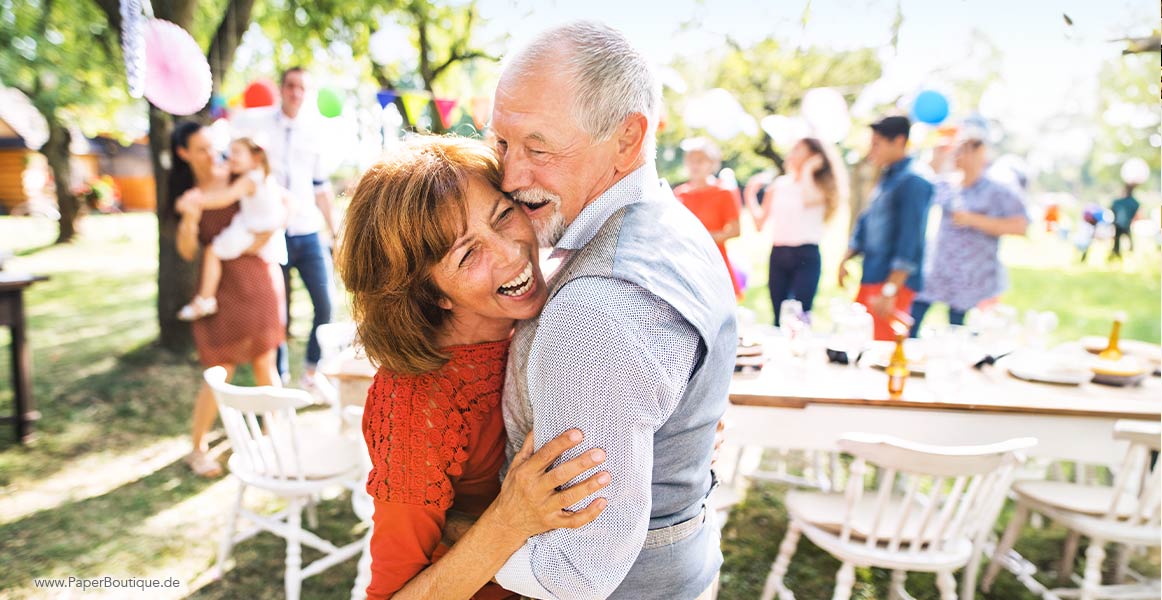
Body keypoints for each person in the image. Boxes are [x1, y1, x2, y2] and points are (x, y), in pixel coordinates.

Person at [489, 21, 737, 599]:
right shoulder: (673, 219)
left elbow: (575, 572)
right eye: (501, 143)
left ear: (627, 138)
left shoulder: (596, 313)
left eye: (538, 147)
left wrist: (462, 534)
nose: (508, 176)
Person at [337, 135, 612, 599]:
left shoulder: (539, 318)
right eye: (468, 254)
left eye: (504, 215)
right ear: (431, 294)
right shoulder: (416, 402)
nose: (509, 252)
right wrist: (509, 521)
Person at [170, 121, 286, 478]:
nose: (212, 155)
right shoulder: (189, 193)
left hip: (255, 278)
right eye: (201, 149)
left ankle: (275, 436)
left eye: (212, 146)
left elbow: (274, 210)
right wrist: (190, 218)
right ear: (184, 153)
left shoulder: (239, 178)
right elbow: (188, 250)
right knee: (219, 369)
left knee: (265, 361)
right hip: (219, 287)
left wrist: (256, 244)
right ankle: (198, 448)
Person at [246, 67, 336, 389]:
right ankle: (278, 378)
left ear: (306, 93)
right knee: (277, 312)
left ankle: (312, 370)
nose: (295, 92)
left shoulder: (314, 132)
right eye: (290, 86)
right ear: (282, 89)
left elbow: (321, 186)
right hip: (274, 235)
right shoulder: (260, 127)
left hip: (308, 232)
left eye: (301, 87)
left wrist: (335, 231)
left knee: (325, 304)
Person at [910, 129, 1029, 335]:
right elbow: (920, 187)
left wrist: (973, 220)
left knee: (960, 331)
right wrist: (936, 157)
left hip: (973, 276)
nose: (957, 156)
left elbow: (1020, 225)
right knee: (914, 319)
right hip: (939, 270)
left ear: (979, 153)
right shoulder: (947, 184)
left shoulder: (997, 190)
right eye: (956, 151)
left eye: (963, 151)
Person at [837, 115, 934, 341]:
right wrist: (847, 256)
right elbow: (868, 220)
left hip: (891, 284)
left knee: (881, 351)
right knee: (859, 341)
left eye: (877, 144)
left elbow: (910, 240)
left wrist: (890, 290)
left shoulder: (914, 181)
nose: (872, 151)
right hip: (873, 273)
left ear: (899, 141)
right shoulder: (888, 175)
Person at [177, 137, 287, 321]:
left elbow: (226, 197)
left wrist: (195, 202)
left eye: (237, 152)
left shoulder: (249, 180)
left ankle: (205, 299)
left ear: (255, 158)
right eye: (230, 152)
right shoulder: (261, 175)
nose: (230, 157)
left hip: (251, 229)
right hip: (255, 227)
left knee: (212, 251)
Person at [745, 136, 848, 326]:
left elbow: (808, 199)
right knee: (778, 315)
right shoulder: (779, 185)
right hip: (778, 254)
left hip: (805, 255)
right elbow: (760, 224)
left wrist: (808, 170)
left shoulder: (819, 187)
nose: (792, 153)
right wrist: (750, 195)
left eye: (799, 149)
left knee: (801, 315)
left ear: (814, 156)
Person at [673, 137, 742, 298]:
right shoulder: (679, 193)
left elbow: (735, 230)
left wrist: (704, 238)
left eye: (700, 160)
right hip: (686, 263)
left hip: (714, 262)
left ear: (712, 163)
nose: (694, 165)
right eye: (690, 160)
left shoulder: (723, 192)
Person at [1110, 183, 1140, 260]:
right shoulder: (1133, 202)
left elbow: (1112, 208)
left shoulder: (1119, 202)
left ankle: (1117, 253)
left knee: (1118, 241)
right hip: (1124, 224)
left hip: (1119, 224)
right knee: (1124, 240)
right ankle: (1118, 253)